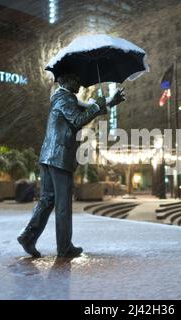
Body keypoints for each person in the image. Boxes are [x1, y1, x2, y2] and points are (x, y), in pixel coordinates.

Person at [17, 73, 125, 258]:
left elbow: (86, 108)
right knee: (63, 205)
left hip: (49, 156)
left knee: (47, 200)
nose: (80, 82)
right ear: (64, 80)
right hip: (59, 157)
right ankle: (64, 247)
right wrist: (99, 105)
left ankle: (29, 237)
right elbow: (77, 119)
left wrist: (108, 102)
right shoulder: (65, 98)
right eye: (76, 79)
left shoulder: (62, 98)